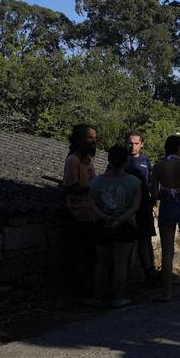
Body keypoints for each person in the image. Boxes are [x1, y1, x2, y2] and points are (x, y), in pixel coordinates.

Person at [89, 145, 141, 308]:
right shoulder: (134, 182)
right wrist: (120, 219)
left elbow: (93, 205)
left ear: (109, 160)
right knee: (120, 262)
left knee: (101, 262)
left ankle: (98, 297)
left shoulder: (96, 182)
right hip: (125, 225)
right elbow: (135, 206)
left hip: (101, 225)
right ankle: (119, 296)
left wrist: (106, 218)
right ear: (126, 161)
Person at [149, 135, 180, 300]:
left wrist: (166, 191)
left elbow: (154, 194)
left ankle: (167, 292)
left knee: (167, 251)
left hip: (168, 208)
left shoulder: (158, 167)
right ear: (178, 148)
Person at [63, 124, 98, 296]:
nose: (94, 142)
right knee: (86, 253)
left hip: (91, 212)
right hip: (80, 214)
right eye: (90, 139)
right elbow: (70, 188)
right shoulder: (73, 161)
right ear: (79, 140)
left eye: (94, 139)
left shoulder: (88, 160)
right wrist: (93, 188)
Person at [124, 130, 161, 287]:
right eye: (130, 143)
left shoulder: (146, 161)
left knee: (145, 242)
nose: (133, 146)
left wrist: (154, 198)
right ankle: (124, 279)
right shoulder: (121, 161)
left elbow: (152, 181)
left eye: (136, 143)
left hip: (144, 208)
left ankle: (149, 274)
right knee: (126, 245)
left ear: (142, 144)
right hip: (126, 209)